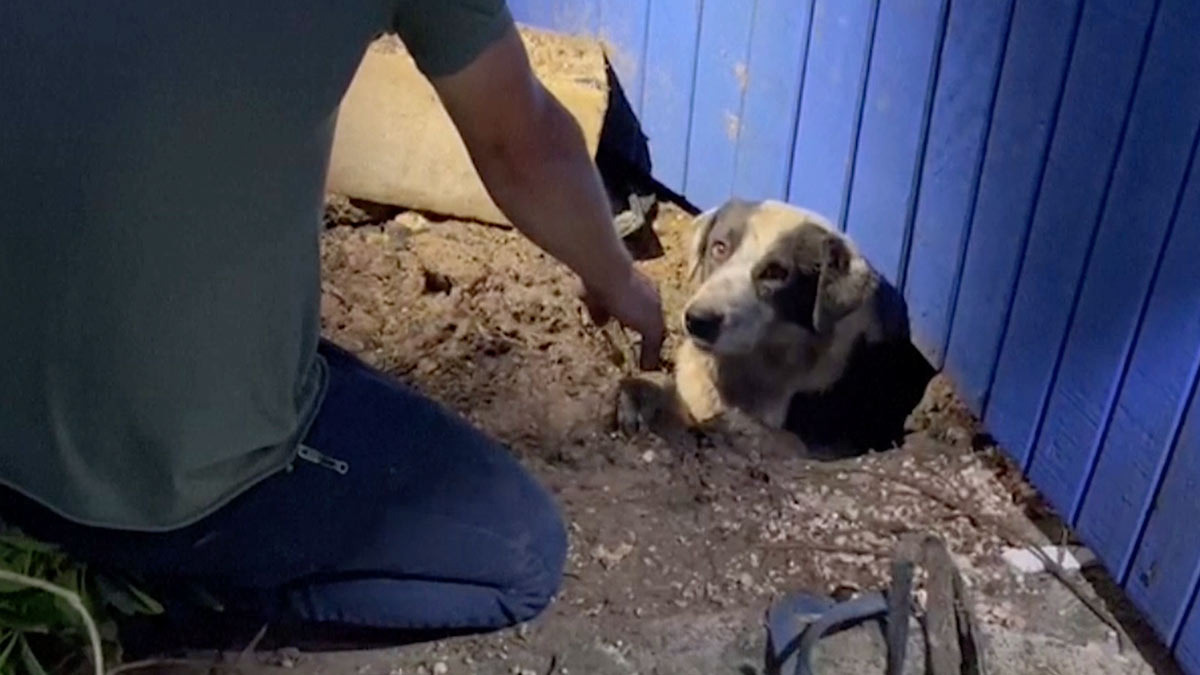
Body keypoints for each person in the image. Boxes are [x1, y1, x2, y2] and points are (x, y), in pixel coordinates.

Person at [0, 0, 664, 653]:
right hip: (161, 483)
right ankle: (146, 611)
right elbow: (519, 145)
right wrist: (618, 276)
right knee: (519, 552)